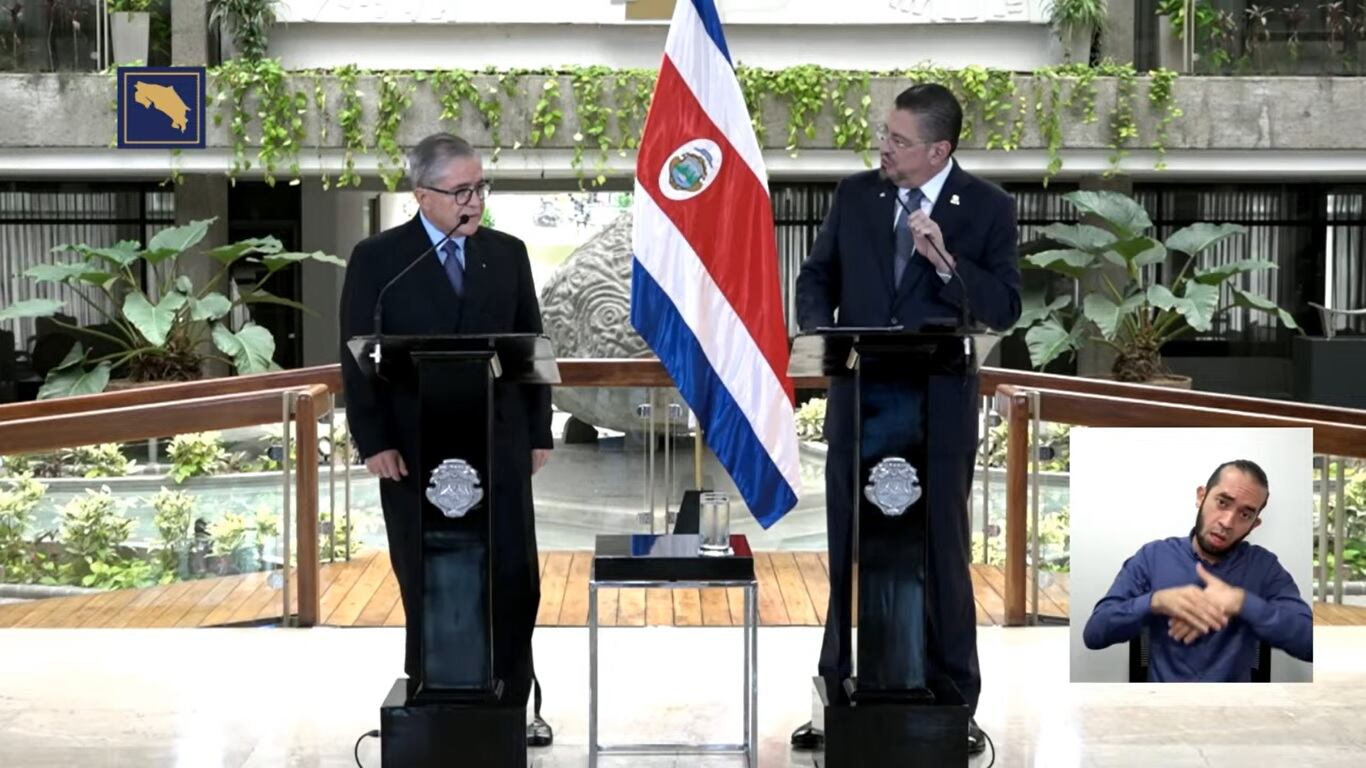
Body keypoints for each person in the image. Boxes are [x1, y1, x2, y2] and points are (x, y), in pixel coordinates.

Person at [792, 83, 1022, 755]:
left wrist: (946, 263)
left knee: (942, 553)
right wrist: (821, 333)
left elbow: (1004, 307)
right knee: (851, 548)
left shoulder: (987, 208)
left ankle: (956, 697)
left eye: (898, 140)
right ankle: (840, 685)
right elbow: (817, 277)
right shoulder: (854, 195)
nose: (883, 148)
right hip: (861, 401)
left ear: (938, 150)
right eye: (883, 135)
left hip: (939, 409)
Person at [339, 133, 555, 745]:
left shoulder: (508, 254)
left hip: (500, 449)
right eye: (461, 190)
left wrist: (538, 431)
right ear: (422, 194)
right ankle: (435, 693)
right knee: (431, 575)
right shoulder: (380, 260)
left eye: (480, 187)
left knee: (516, 579)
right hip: (414, 453)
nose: (475, 200)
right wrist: (373, 438)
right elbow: (356, 360)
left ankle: (516, 699)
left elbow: (531, 351)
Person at [1082, 459, 1313, 681]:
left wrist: (1242, 602)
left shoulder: (1264, 568)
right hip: (1164, 708)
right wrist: (1155, 602)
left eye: (1245, 514)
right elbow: (1094, 633)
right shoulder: (1153, 557)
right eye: (1222, 502)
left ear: (1255, 524)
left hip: (1235, 710)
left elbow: (1310, 645)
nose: (1227, 522)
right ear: (1201, 496)